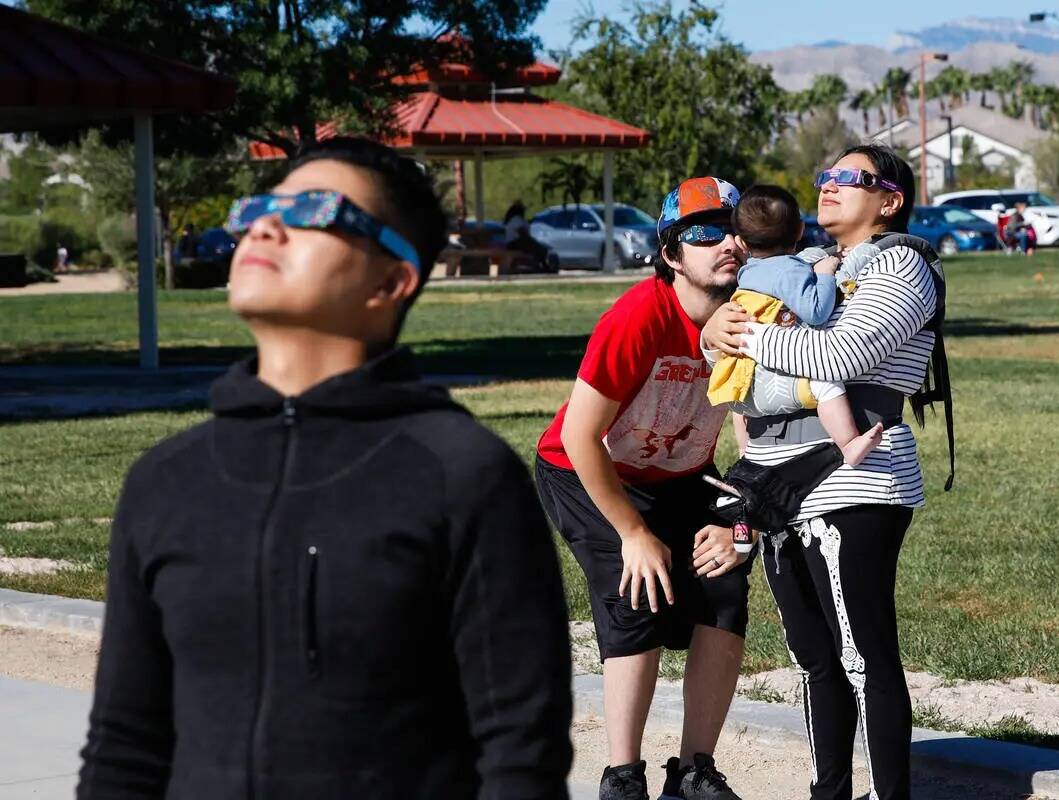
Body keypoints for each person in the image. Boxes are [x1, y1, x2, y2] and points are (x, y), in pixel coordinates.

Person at [77, 137, 574, 800]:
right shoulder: (164, 481)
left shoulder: (463, 475)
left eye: (313, 210)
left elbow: (521, 754)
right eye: (258, 206)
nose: (264, 225)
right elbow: (125, 745)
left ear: (391, 280)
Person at [703, 144, 943, 800]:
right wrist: (714, 330)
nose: (829, 186)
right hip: (772, 480)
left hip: (856, 478)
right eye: (825, 176)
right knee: (812, 658)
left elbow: (847, 349)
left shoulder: (902, 267)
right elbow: (726, 342)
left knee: (863, 655)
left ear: (889, 200)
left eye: (849, 178)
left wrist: (744, 333)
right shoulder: (807, 264)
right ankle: (829, 792)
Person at [535, 177, 752, 800]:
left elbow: (758, 448)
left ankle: (694, 772)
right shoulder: (637, 318)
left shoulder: (758, 317)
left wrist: (744, 528)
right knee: (639, 594)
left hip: (686, 479)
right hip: (589, 472)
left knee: (726, 588)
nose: (725, 244)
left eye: (734, 230)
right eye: (703, 233)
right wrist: (633, 532)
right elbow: (581, 438)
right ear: (671, 255)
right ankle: (622, 777)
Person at [707, 184, 883, 467]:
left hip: (741, 392)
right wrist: (825, 275)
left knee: (744, 414)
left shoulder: (748, 272)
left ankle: (745, 451)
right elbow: (816, 311)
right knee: (826, 384)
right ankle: (849, 443)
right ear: (800, 230)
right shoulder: (789, 269)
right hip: (776, 383)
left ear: (741, 243)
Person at [504, 200, 557, 272]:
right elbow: (522, 233)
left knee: (536, 246)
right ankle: (543, 265)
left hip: (519, 242)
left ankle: (542, 265)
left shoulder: (520, 220)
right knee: (536, 247)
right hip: (514, 243)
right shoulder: (516, 220)